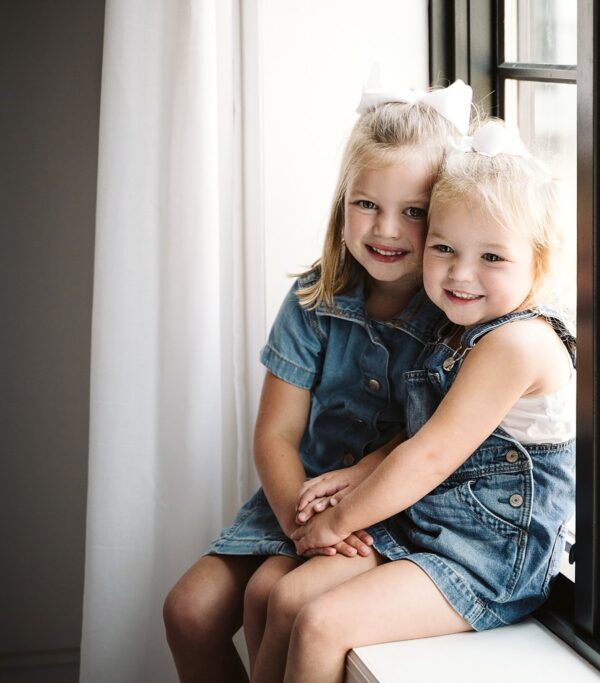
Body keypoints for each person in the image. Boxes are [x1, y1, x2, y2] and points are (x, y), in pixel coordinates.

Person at [162, 79, 474, 682]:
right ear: (342, 204)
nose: (385, 230)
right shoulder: (315, 299)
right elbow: (275, 435)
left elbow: (430, 443)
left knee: (276, 593)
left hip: (390, 508)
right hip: (296, 500)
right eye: (366, 205)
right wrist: (299, 524)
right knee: (188, 611)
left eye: (412, 212)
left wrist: (337, 525)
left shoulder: (455, 315)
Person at [251, 120, 576, 683]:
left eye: (492, 258)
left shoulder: (518, 342)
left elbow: (429, 457)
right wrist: (357, 475)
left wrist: (340, 522)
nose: (461, 273)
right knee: (283, 596)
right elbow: (426, 435)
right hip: (428, 526)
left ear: (538, 262)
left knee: (320, 623)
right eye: (445, 248)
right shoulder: (461, 325)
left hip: (487, 558)